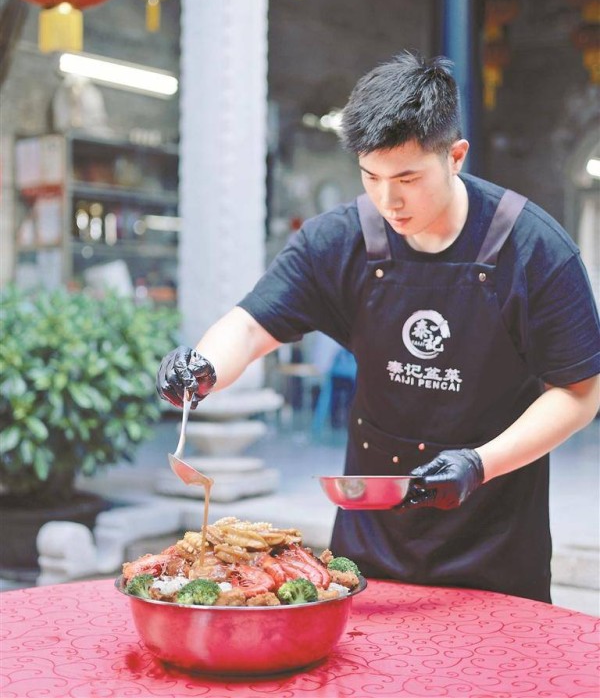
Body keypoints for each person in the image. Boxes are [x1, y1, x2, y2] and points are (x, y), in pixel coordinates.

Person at [157, 51, 600, 603]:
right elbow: (251, 326)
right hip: (370, 542)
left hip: (496, 538)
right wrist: (202, 367)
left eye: (408, 178)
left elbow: (579, 393)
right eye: (372, 176)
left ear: (455, 156)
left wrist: (477, 464)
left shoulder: (535, 248)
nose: (389, 200)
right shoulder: (338, 239)